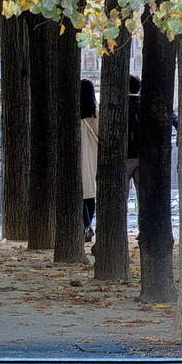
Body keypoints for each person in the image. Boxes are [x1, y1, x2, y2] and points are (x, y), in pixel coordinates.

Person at [80, 77, 100, 241]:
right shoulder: (96, 112)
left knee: (80, 193)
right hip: (93, 155)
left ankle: (86, 225)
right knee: (90, 193)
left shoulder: (73, 113)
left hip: (78, 155)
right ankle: (88, 224)